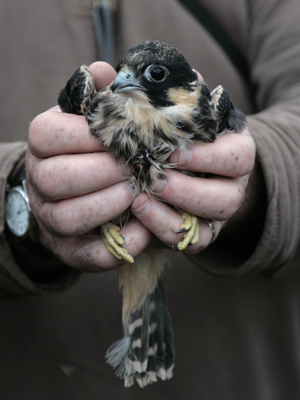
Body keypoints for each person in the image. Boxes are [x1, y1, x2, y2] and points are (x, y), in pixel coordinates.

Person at [0, 0, 300, 398]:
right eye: (125, 72)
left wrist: (249, 183)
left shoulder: (207, 108)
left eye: (151, 76)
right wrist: (22, 195)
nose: (123, 81)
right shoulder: (100, 103)